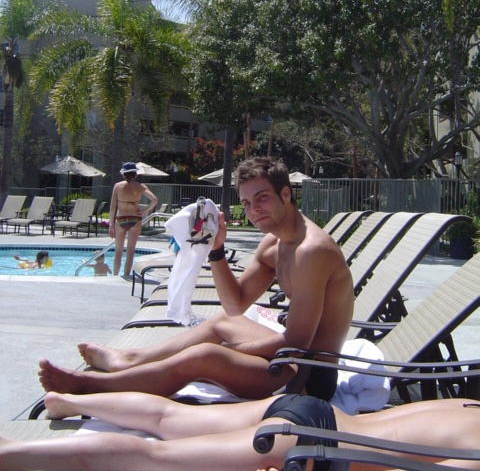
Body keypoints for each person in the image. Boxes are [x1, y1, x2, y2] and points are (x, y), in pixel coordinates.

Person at [39, 157, 354, 401]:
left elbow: (297, 343)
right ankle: (131, 359)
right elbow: (235, 306)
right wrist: (216, 250)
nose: (253, 210)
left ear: (286, 194)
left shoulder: (311, 251)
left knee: (206, 355)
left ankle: (90, 386)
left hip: (307, 376)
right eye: (246, 203)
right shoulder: (274, 243)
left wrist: (233, 351)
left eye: (262, 198)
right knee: (221, 323)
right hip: (289, 358)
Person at [0, 391, 478, 470]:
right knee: (154, 460)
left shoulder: (468, 405)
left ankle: (69, 402)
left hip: (309, 410)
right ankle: (12, 455)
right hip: (314, 447)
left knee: (169, 419)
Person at [109, 162, 158, 276]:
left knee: (118, 251)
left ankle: (115, 275)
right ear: (135, 173)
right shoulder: (140, 186)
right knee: (130, 251)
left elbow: (112, 207)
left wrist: (111, 224)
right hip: (135, 219)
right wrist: (145, 211)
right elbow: (155, 200)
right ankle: (126, 275)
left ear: (123, 174)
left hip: (121, 218)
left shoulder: (117, 186)